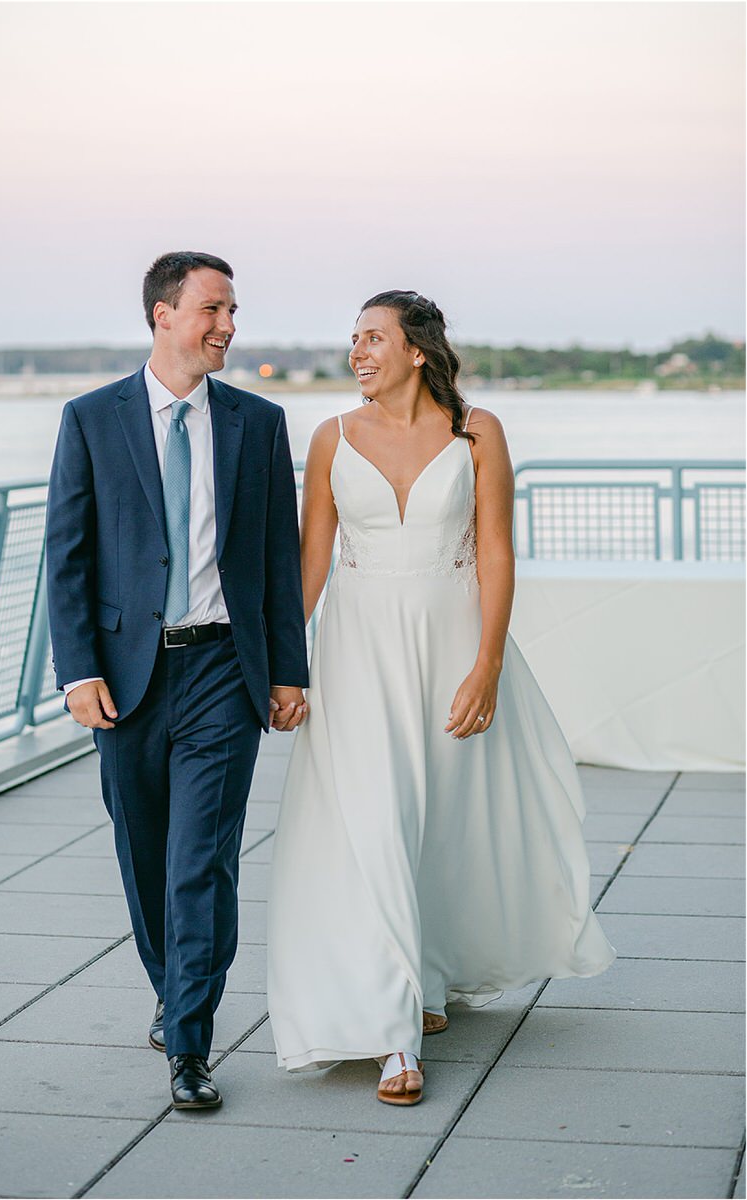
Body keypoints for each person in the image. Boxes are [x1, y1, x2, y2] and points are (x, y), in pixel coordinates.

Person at [267, 290, 616, 1106]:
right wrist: (288, 666)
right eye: (352, 339)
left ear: (415, 351)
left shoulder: (477, 432)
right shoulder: (331, 438)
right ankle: (393, 1040)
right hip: (356, 654)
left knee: (437, 820)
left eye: (373, 338)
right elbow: (308, 563)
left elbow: (495, 551)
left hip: (450, 647)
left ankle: (423, 977)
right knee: (374, 821)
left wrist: (487, 663)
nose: (356, 352)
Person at [46, 251, 308, 1109]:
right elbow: (68, 557)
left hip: (222, 675)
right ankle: (173, 988)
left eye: (232, 311)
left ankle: (189, 1044)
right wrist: (77, 669)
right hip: (125, 683)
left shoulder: (256, 423)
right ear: (163, 315)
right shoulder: (91, 419)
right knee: (144, 856)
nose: (228, 326)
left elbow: (275, 559)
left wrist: (286, 672)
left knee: (202, 863)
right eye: (213, 310)